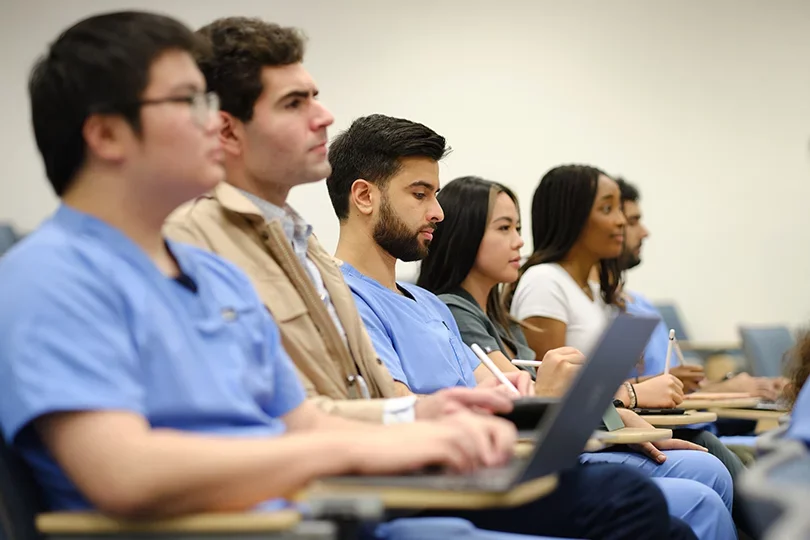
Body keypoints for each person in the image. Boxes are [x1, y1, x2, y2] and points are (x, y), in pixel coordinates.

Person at [0, 13, 623, 540]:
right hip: (264, 523)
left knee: (618, 496)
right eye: (190, 102)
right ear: (106, 133)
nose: (213, 121)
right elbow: (125, 474)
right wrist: (366, 448)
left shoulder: (211, 276)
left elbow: (298, 422)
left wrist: (420, 421)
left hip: (313, 508)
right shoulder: (50, 276)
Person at [327, 118, 736, 540]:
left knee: (687, 501)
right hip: (456, 480)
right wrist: (545, 399)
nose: (438, 212)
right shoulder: (343, 299)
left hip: (503, 461)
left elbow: (508, 389)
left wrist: (605, 416)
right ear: (364, 196)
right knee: (657, 499)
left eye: (434, 194)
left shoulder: (428, 303)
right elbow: (403, 409)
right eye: (420, 194)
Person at [164, 16, 511, 425]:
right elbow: (255, 419)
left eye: (314, 97)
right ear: (228, 131)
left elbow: (351, 398)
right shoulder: (191, 239)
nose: (324, 116)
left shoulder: (302, 245)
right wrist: (427, 419)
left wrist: (436, 412)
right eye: (294, 103)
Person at [615, 177, 785, 401]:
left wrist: (732, 385)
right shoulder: (604, 311)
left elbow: (680, 386)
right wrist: (718, 391)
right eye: (633, 221)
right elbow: (641, 396)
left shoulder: (642, 304)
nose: (645, 232)